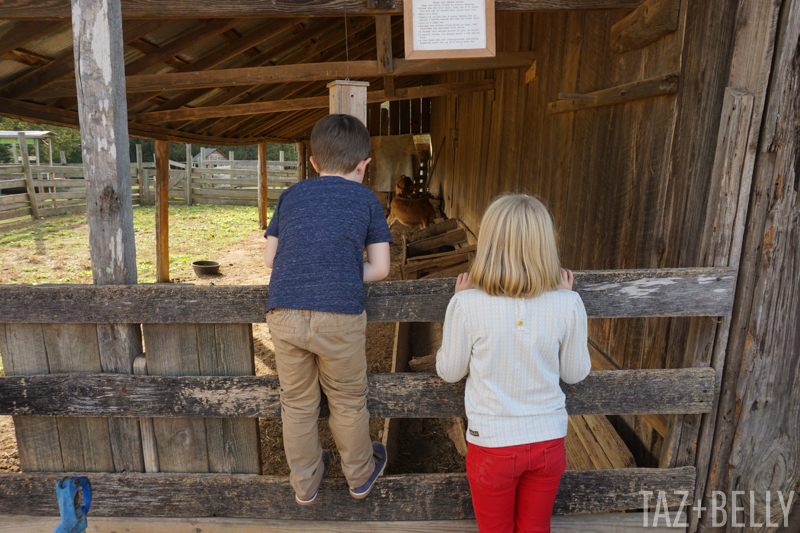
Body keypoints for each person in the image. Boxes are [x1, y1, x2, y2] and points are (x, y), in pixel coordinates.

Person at [436, 194, 591, 533]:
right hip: (549, 442)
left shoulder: (467, 304)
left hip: (492, 445)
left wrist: (458, 303)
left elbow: (449, 371)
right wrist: (566, 298)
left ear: (489, 243)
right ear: (545, 246)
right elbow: (575, 373)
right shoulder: (569, 303)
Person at [263, 114, 393, 506]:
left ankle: (305, 484)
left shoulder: (291, 196)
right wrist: (341, 272)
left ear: (314, 162)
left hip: (283, 313)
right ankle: (359, 474)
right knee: (348, 399)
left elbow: (271, 260)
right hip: (339, 315)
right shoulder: (367, 199)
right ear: (365, 165)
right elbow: (382, 268)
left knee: (297, 403)